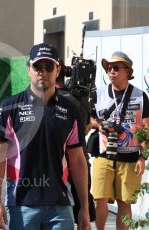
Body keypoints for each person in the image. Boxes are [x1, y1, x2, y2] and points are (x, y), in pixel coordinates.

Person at [0, 43, 90, 230]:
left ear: (58, 70)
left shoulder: (70, 109)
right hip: (22, 204)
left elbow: (77, 161)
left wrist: (84, 207)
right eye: (37, 66)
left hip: (60, 205)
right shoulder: (9, 107)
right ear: (28, 69)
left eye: (48, 66)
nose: (42, 72)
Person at [92, 51, 149, 230]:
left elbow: (145, 131)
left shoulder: (141, 96)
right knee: (99, 198)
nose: (111, 71)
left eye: (116, 68)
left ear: (128, 71)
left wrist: (143, 157)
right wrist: (99, 126)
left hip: (130, 157)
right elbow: (89, 119)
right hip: (104, 154)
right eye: (108, 68)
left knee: (124, 203)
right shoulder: (98, 94)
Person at [56, 60, 96, 224]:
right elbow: (86, 128)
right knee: (82, 216)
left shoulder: (49, 100)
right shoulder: (79, 99)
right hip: (80, 162)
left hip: (59, 166)